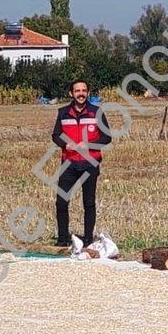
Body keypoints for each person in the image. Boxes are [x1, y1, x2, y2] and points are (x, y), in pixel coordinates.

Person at [51, 79, 111, 247]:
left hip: (90, 163)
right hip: (69, 163)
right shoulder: (63, 112)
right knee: (61, 202)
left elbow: (107, 137)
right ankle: (63, 239)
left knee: (89, 203)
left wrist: (89, 145)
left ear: (88, 93)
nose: (81, 93)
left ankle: (88, 239)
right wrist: (65, 144)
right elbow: (55, 135)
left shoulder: (97, 112)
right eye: (77, 91)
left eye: (84, 90)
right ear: (71, 93)